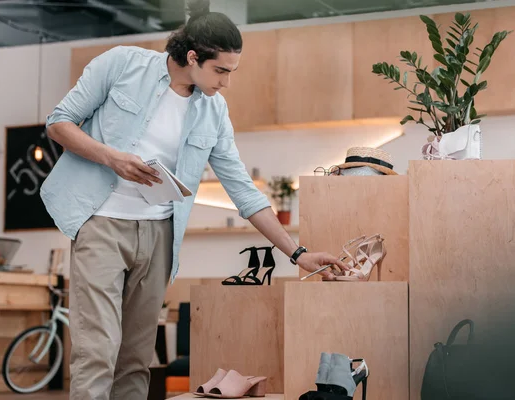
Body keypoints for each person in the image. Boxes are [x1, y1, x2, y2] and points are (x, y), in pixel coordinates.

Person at [41, 0, 348, 399]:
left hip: (159, 237)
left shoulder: (214, 112)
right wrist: (111, 157)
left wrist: (298, 253)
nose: (226, 82)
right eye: (220, 70)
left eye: (231, 72)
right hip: (101, 223)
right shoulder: (121, 65)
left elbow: (242, 190)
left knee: (135, 359)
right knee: (97, 352)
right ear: (192, 57)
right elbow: (58, 122)